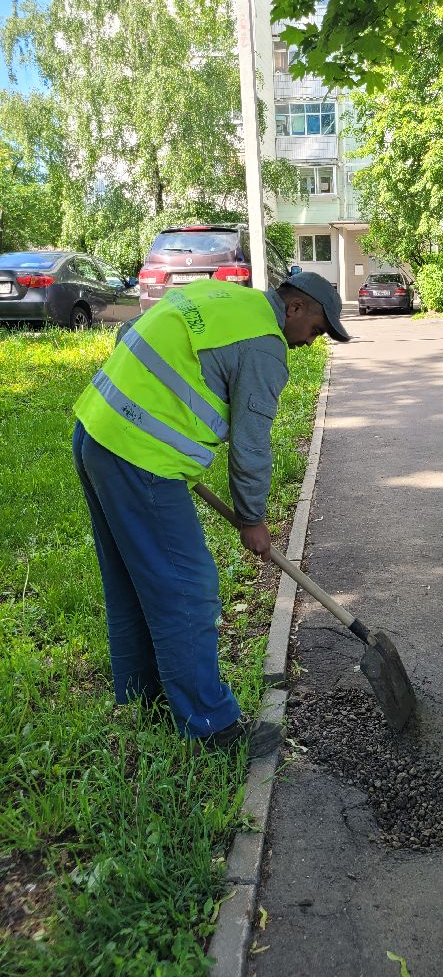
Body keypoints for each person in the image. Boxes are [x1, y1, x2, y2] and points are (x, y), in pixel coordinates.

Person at [72, 272, 349, 757]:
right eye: (319, 328)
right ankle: (210, 725)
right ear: (296, 308)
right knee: (187, 588)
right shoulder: (266, 346)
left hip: (96, 429)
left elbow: (130, 333)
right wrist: (252, 519)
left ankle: (147, 698)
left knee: (135, 580)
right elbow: (250, 445)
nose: (314, 340)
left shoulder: (222, 297)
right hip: (140, 458)